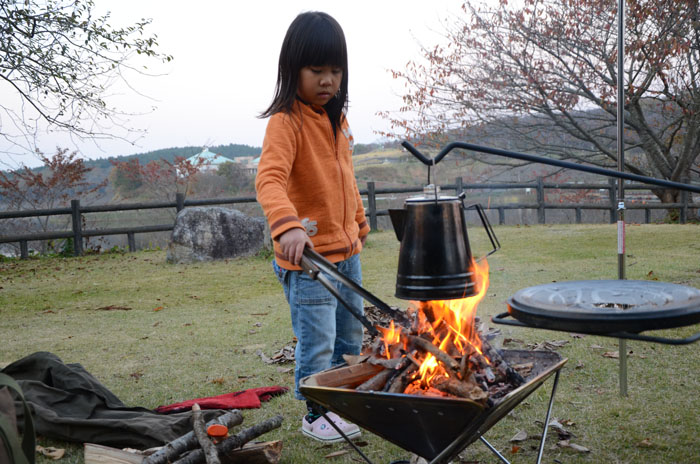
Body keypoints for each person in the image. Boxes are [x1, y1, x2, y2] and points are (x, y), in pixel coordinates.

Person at [255, 11, 369, 443]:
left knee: (348, 336)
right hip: (309, 263)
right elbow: (269, 179)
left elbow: (346, 179)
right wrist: (287, 227)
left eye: (335, 70)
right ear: (292, 69)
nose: (327, 80)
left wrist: (358, 223)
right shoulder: (286, 122)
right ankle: (316, 413)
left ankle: (342, 403)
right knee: (318, 340)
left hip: (347, 257)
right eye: (316, 69)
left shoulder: (337, 122)